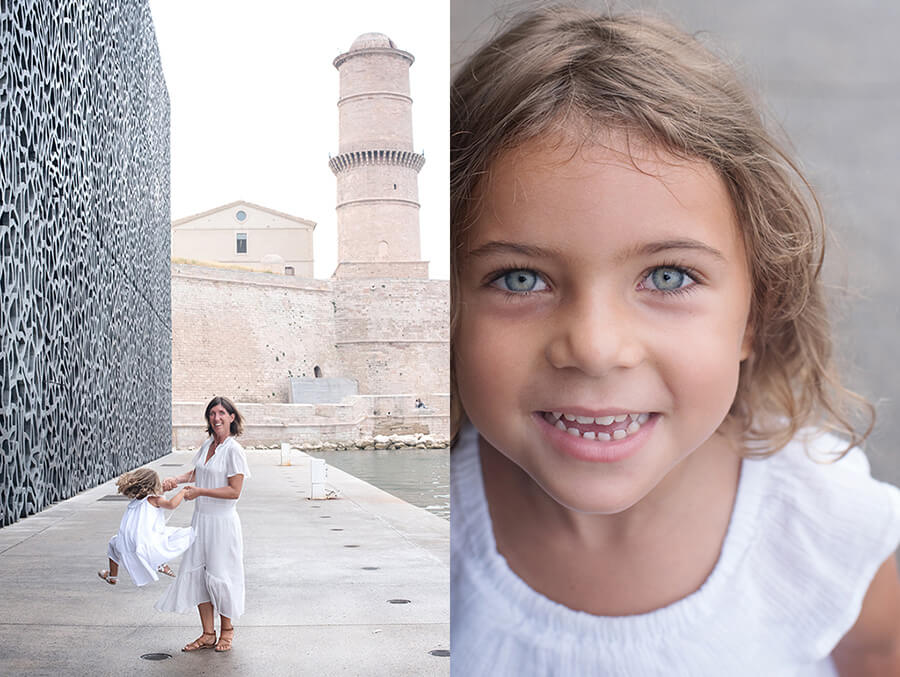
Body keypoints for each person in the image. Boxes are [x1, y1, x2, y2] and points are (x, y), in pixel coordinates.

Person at [450, 7, 900, 676]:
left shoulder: (827, 525)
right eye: (521, 278)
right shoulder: (430, 524)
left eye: (668, 275)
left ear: (757, 309)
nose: (597, 347)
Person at [155, 396, 251, 653]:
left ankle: (227, 630)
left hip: (222, 523)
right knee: (198, 575)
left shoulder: (234, 451)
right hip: (201, 521)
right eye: (212, 414)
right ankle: (208, 633)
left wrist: (200, 492)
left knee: (222, 575)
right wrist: (175, 479)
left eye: (221, 413)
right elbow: (197, 473)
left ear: (232, 417)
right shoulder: (208, 444)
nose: (216, 418)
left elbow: (234, 491)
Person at [97, 468, 193, 586]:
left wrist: (163, 489)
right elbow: (171, 505)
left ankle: (112, 576)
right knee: (179, 534)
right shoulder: (154, 499)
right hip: (146, 541)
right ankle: (158, 562)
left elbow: (151, 496)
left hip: (128, 541)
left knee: (113, 543)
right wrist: (183, 491)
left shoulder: (137, 499)